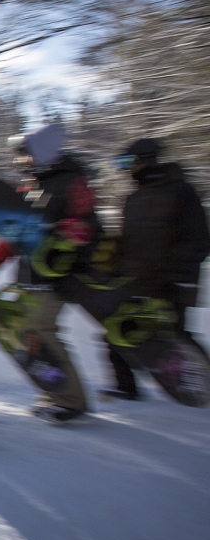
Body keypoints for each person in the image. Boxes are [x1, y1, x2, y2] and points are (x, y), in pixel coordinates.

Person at [5, 122, 100, 424]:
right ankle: (54, 390)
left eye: (25, 155)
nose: (20, 162)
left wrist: (68, 237)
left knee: (42, 331)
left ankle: (71, 400)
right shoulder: (32, 185)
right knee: (32, 336)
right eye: (18, 157)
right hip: (30, 274)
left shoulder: (72, 183)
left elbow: (89, 227)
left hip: (57, 275)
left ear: (42, 153)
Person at [103, 137, 210, 400]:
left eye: (129, 163)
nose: (126, 169)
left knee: (177, 336)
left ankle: (199, 384)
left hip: (172, 282)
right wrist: (114, 264)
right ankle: (125, 388)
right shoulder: (133, 199)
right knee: (116, 331)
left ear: (146, 161)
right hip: (138, 280)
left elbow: (198, 239)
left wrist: (180, 277)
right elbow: (128, 241)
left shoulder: (181, 192)